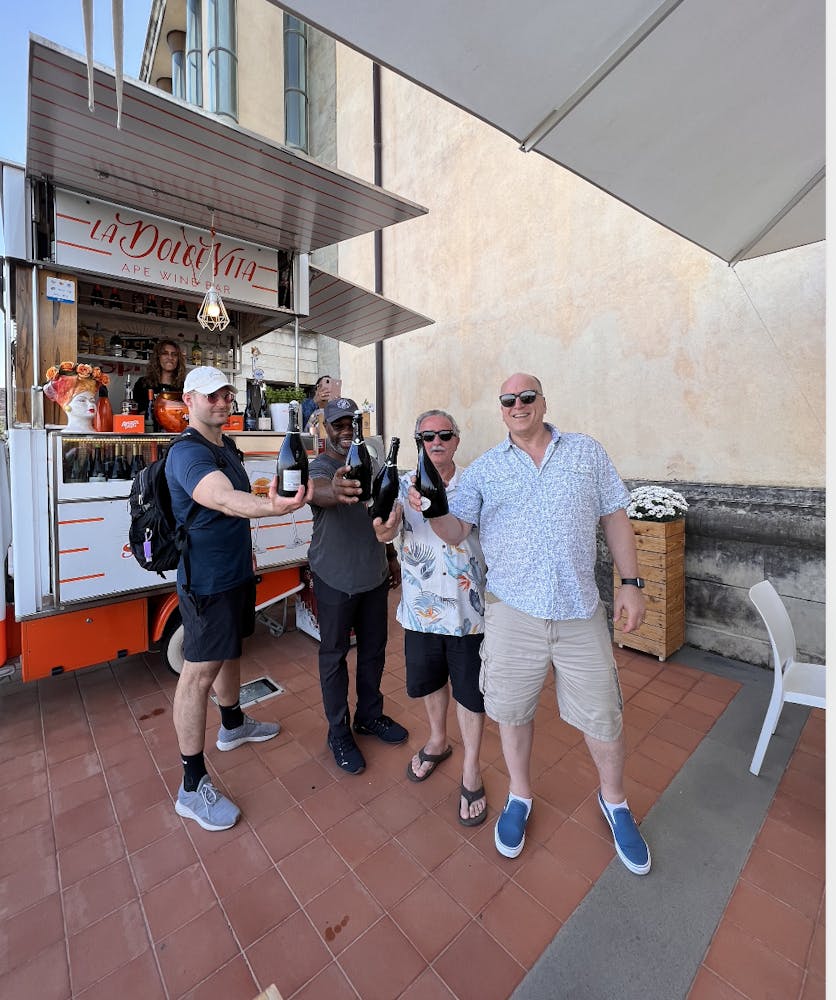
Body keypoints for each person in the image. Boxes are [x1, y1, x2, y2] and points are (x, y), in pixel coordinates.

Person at [410, 373, 651, 874]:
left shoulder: (585, 452)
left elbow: (614, 516)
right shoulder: (485, 471)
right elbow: (457, 530)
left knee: (604, 717)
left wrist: (631, 582)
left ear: (542, 401)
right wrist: (432, 510)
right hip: (512, 612)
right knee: (512, 712)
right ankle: (520, 795)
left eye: (526, 397)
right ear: (501, 411)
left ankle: (616, 801)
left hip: (579, 610)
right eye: (508, 400)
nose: (518, 405)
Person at [166, 366, 312, 831]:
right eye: (211, 396)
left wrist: (268, 496)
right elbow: (224, 499)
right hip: (206, 581)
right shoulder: (188, 454)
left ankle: (232, 725)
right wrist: (272, 507)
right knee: (197, 674)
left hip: (233, 572)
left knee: (230, 651)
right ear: (189, 400)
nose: (222, 402)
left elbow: (239, 494)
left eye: (226, 394)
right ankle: (191, 786)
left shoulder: (224, 446)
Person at [373, 409, 488, 825]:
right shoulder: (401, 485)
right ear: (418, 442)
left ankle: (472, 767)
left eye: (444, 435)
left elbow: (456, 531)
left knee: (472, 695)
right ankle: (438, 741)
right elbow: (384, 533)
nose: (435, 442)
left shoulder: (475, 483)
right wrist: (384, 526)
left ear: (456, 440)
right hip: (421, 610)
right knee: (430, 684)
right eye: (426, 437)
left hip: (467, 613)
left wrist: (431, 506)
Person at [308, 396, 408, 774]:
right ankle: (338, 731)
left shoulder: (373, 462)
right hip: (334, 578)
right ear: (325, 428)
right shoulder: (320, 466)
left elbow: (382, 514)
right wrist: (335, 491)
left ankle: (370, 715)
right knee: (334, 657)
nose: (347, 430)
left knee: (373, 652)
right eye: (339, 424)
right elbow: (319, 491)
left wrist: (392, 556)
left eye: (352, 423)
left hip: (373, 576)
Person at [133, 339, 186, 411]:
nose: (170, 357)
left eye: (174, 354)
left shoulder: (184, 387)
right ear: (158, 358)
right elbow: (136, 414)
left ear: (178, 359)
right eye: (165, 353)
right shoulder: (143, 384)